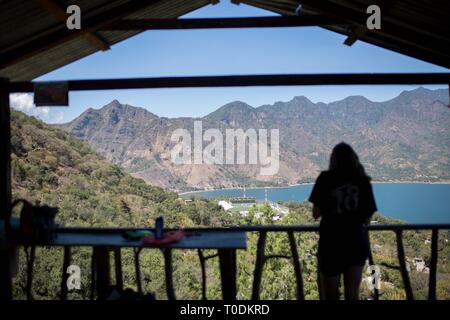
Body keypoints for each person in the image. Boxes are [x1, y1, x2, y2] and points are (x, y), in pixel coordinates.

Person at [308, 142, 377, 300]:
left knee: (330, 295)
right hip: (356, 242)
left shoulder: (325, 178)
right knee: (352, 293)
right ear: (354, 159)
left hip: (331, 243)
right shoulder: (362, 181)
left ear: (333, 159)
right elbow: (367, 219)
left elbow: (315, 214)